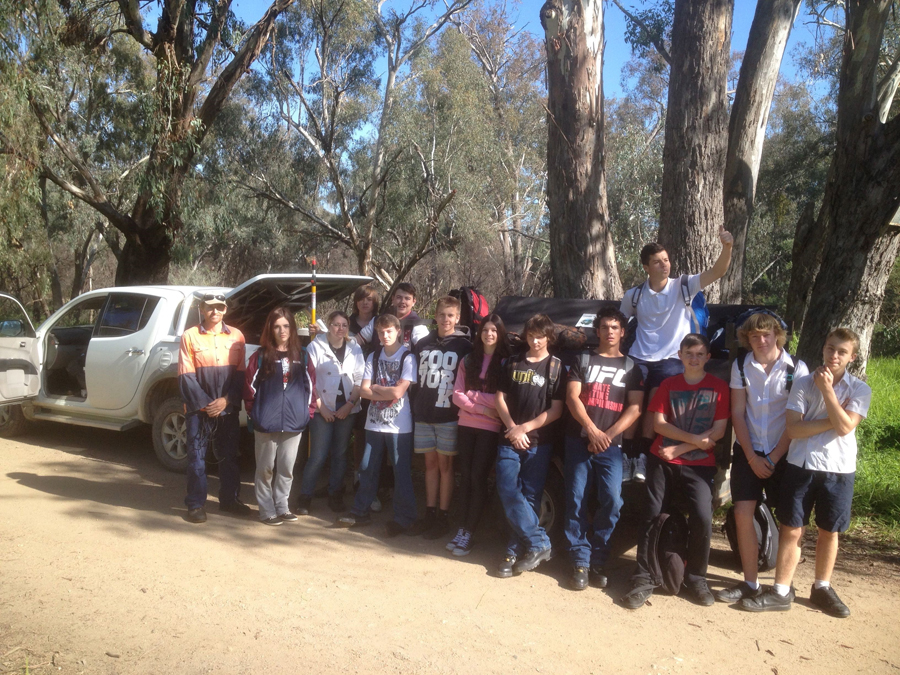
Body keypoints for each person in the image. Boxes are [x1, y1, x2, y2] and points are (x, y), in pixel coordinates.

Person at [740, 328, 871, 619]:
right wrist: (835, 419)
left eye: (841, 351)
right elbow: (794, 429)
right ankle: (781, 591)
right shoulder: (801, 384)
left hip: (838, 468)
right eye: (829, 348)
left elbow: (848, 428)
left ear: (852, 357)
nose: (833, 355)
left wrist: (827, 392)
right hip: (801, 465)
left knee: (829, 530)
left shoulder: (860, 390)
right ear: (823, 349)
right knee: (792, 528)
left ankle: (821, 587)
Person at [621, 333, 730, 609]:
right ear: (680, 356)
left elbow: (718, 430)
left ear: (708, 357)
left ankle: (696, 578)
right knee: (651, 514)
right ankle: (643, 577)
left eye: (700, 354)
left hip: (698, 465)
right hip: (663, 460)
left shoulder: (719, 387)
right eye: (689, 353)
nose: (694, 358)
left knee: (703, 518)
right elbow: (658, 424)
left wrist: (679, 449)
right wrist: (692, 442)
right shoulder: (669, 384)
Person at [620, 231, 733, 482]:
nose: (664, 264)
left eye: (667, 259)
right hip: (639, 358)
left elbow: (717, 272)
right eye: (658, 261)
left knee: (653, 404)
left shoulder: (683, 285)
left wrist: (727, 247)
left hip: (671, 359)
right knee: (633, 405)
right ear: (646, 266)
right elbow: (621, 321)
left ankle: (642, 457)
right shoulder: (634, 296)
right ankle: (626, 458)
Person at [715, 312, 809, 603]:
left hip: (787, 451)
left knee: (790, 521)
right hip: (749, 449)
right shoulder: (741, 366)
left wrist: (774, 456)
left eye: (767, 334)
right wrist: (753, 457)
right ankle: (750, 583)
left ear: (777, 335)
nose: (761, 340)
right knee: (743, 514)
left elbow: (798, 419)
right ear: (747, 339)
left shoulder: (797, 368)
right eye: (754, 336)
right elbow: (738, 414)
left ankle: (782, 586)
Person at [564, 307, 643, 590]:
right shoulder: (582, 359)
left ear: (622, 332)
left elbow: (635, 408)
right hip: (579, 440)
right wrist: (593, 430)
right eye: (605, 327)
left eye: (615, 327)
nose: (610, 331)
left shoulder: (632, 368)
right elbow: (572, 398)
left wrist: (607, 435)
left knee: (612, 501)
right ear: (597, 331)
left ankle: (598, 557)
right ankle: (580, 561)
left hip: (611, 446)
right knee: (576, 499)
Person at [494, 314, 565, 578]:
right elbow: (499, 398)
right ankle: (540, 542)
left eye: (540, 336)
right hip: (509, 439)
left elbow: (556, 410)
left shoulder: (556, 367)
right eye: (531, 335)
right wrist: (513, 427)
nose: (535, 341)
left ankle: (514, 551)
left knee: (531, 496)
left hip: (538, 442)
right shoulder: (512, 362)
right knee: (506, 488)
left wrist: (525, 428)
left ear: (549, 337)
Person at [337, 314, 417, 535]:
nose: (385, 335)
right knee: (366, 468)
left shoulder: (407, 358)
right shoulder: (373, 356)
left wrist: (378, 389)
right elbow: (363, 390)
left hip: (399, 426)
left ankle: (404, 518)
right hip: (374, 423)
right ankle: (360, 511)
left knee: (401, 471)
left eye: (389, 331)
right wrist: (386, 391)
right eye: (381, 332)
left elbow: (400, 392)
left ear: (398, 331)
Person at [406, 296, 472, 539]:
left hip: (449, 417)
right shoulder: (423, 343)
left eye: (451, 315)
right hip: (424, 413)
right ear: (435, 316)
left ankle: (444, 516)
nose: (446, 319)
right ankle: (430, 513)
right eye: (442, 314)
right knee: (430, 466)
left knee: (446, 467)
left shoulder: (465, 346)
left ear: (457, 318)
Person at [179, 292, 248, 523]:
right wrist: (208, 404)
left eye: (219, 307)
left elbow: (241, 376)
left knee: (229, 456)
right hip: (199, 409)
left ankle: (229, 500)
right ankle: (196, 504)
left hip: (227, 408)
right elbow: (186, 375)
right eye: (210, 307)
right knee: (197, 457)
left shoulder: (237, 337)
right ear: (202, 308)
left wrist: (226, 401)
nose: (215, 311)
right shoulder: (190, 336)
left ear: (225, 310)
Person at [243, 307, 315, 526]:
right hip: (266, 422)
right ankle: (266, 509)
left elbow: (310, 386)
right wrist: (254, 413)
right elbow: (249, 388)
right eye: (277, 326)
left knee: (286, 468)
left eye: (286, 326)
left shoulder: (302, 355)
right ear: (270, 329)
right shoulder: (260, 356)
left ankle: (282, 506)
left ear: (292, 328)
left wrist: (306, 413)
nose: (282, 330)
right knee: (265, 468)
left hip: (294, 422)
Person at [449, 314, 509, 556]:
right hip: (466, 424)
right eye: (486, 330)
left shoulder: (506, 362)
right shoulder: (468, 359)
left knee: (477, 477)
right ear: (480, 333)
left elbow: (501, 400)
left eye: (494, 330)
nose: (489, 334)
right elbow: (456, 394)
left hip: (490, 429)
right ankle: (461, 528)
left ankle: (470, 532)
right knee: (465, 477)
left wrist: (473, 397)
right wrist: (483, 406)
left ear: (500, 333)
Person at [301, 311, 365, 514]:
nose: (340, 329)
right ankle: (305, 495)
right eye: (336, 324)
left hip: (347, 407)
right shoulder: (315, 346)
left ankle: (335, 493)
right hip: (322, 408)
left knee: (340, 453)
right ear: (328, 326)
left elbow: (359, 378)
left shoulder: (354, 347)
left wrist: (349, 405)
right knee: (318, 455)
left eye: (344, 325)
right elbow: (308, 380)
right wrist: (321, 407)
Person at [389, 282, 430, 348]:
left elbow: (425, 349)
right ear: (393, 299)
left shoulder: (418, 325)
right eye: (399, 297)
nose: (402, 301)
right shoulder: (380, 319)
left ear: (413, 302)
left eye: (407, 298)